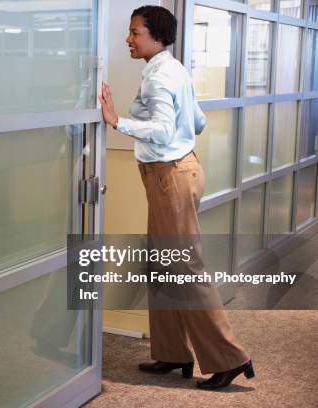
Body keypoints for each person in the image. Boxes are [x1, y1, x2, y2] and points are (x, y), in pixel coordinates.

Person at [99, 6, 254, 390]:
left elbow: (165, 132)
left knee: (185, 268)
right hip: (176, 173)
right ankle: (172, 353)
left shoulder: (159, 76)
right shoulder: (172, 69)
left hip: (171, 177)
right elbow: (197, 121)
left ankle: (230, 358)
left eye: (135, 32)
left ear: (156, 35)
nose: (128, 39)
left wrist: (117, 120)